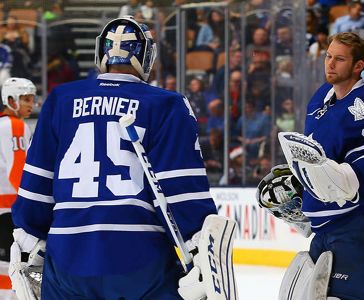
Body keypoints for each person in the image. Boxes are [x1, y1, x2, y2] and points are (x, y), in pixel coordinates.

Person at [9, 16, 221, 300]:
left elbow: (38, 181)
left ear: (101, 53)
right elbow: (180, 189)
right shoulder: (166, 103)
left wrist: (30, 231)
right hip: (140, 257)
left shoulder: (60, 98)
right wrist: (197, 238)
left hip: (67, 257)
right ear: (146, 57)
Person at [257, 32, 364, 299]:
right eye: (328, 56)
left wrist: (341, 181)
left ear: (358, 66)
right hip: (333, 224)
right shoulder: (321, 98)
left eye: (340, 59)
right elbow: (321, 159)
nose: (330, 64)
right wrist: (304, 185)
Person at [0, 77, 36, 299]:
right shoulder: (15, 125)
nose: (31, 104)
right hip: (8, 211)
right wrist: (31, 205)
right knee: (15, 267)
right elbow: (17, 173)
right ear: (11, 100)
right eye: (25, 99)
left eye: (32, 99)